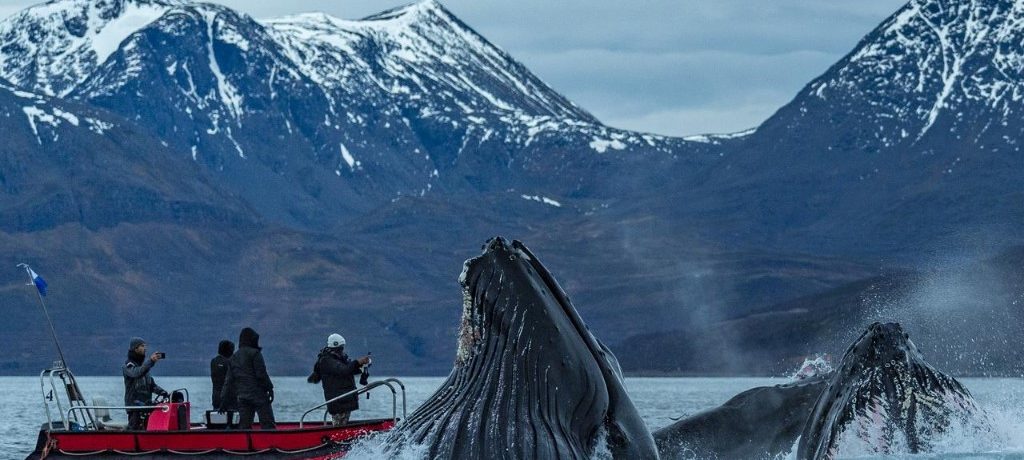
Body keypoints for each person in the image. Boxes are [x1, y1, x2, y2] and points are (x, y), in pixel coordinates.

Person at [307, 333, 371, 426]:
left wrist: (362, 366)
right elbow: (344, 370)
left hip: (344, 400)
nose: (342, 350)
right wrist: (358, 362)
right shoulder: (326, 361)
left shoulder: (339, 359)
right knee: (338, 426)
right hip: (338, 402)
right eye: (341, 347)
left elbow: (349, 369)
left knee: (342, 424)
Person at [220, 327, 275, 429]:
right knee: (268, 425)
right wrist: (270, 388)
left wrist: (223, 402)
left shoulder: (233, 357)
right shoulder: (255, 354)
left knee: (244, 426)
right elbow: (261, 375)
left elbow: (228, 382)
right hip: (259, 396)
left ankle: (245, 444)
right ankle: (271, 443)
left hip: (243, 397)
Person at [123, 337, 168, 430]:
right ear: (135, 348)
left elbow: (152, 385)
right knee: (134, 429)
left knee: (148, 427)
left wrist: (164, 393)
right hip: (134, 407)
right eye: (142, 346)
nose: (145, 348)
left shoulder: (144, 367)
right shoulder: (128, 366)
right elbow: (137, 373)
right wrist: (151, 361)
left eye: (145, 346)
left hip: (146, 406)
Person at [210, 340, 237, 411]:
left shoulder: (213, 361)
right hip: (229, 398)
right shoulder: (230, 362)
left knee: (218, 418)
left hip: (216, 397)